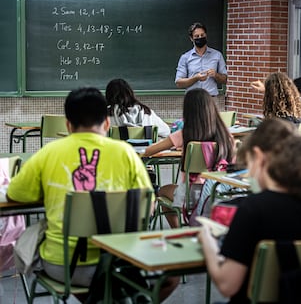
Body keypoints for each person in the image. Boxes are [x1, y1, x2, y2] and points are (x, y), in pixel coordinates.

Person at [6, 88, 178, 300]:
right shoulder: (126, 154)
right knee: (172, 277)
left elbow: (16, 194)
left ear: (68, 125)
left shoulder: (48, 154)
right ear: (107, 123)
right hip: (122, 259)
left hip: (65, 266)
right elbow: (147, 207)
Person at [198, 118, 301, 304]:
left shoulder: (254, 209)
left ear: (260, 157)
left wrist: (208, 241)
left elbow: (227, 285)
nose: (249, 174)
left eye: (249, 165)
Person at [143, 88, 234, 228]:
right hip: (219, 192)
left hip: (190, 194)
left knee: (161, 191)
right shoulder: (226, 136)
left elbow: (148, 151)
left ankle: (178, 231)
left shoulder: (184, 134)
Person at [175, 22, 227, 97]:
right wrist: (195, 78)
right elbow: (179, 83)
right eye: (197, 36)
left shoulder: (217, 55)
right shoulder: (185, 57)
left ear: (206, 35)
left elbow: (225, 80)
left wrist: (216, 75)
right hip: (192, 99)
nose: (200, 37)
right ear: (191, 38)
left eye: (202, 35)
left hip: (211, 99)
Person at [105, 78, 170, 138]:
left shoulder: (106, 114)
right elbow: (166, 131)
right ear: (130, 93)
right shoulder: (146, 112)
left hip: (118, 150)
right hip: (147, 150)